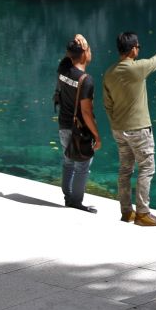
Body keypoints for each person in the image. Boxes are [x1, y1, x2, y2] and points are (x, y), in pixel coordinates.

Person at [103, 31, 156, 226]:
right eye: (138, 47)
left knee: (125, 170)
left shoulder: (109, 73)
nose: (139, 50)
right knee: (146, 168)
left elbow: (107, 105)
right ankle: (143, 213)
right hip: (138, 129)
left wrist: (115, 125)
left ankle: (126, 211)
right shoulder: (136, 69)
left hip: (119, 129)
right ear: (132, 50)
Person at [55, 33, 102, 213]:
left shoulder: (63, 70)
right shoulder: (86, 80)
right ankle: (76, 202)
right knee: (82, 166)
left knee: (68, 161)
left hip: (63, 125)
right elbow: (86, 112)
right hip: (80, 130)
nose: (91, 52)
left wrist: (78, 38)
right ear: (83, 53)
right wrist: (97, 136)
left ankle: (68, 197)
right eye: (88, 49)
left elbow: (67, 57)